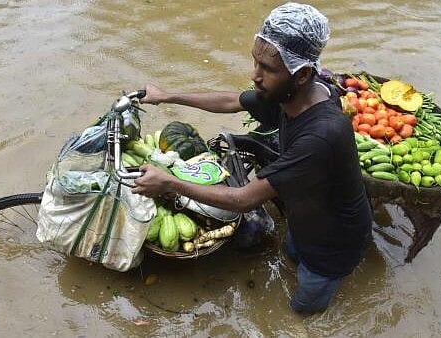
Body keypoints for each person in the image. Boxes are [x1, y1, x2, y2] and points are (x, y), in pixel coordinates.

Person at [132, 2, 372, 314]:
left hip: (333, 242)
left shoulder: (320, 136)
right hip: (306, 218)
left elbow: (242, 200)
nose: (254, 76)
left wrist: (169, 182)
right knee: (291, 254)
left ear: (302, 75)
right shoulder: (294, 94)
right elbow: (232, 101)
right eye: (255, 62)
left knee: (302, 309)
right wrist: (168, 96)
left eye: (268, 69)